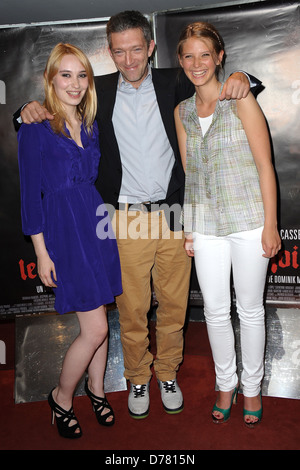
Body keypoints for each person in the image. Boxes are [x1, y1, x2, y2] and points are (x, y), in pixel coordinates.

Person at [14, 11, 257, 419]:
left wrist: (245, 77)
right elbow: (44, 119)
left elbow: (217, 78)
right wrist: (23, 110)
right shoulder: (95, 92)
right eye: (119, 51)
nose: (129, 60)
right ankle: (138, 376)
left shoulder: (174, 80)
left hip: (174, 212)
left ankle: (167, 373)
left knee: (175, 306)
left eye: (136, 50)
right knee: (131, 309)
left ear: (151, 48)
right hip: (121, 217)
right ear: (110, 53)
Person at [174, 22, 281, 427]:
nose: (197, 63)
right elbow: (191, 174)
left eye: (205, 54)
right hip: (204, 224)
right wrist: (188, 228)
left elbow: (265, 166)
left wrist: (271, 225)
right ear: (180, 61)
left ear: (219, 57)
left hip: (250, 220)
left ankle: (251, 389)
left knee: (250, 310)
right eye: (189, 55)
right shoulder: (181, 111)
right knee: (216, 312)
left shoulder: (241, 99)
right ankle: (226, 384)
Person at [17, 43, 122, 438]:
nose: (75, 84)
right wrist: (42, 253)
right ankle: (61, 396)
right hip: (64, 231)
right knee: (93, 329)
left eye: (82, 75)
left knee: (103, 321)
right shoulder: (35, 129)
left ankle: (96, 391)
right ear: (50, 79)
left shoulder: (91, 124)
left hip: (95, 224)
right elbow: (30, 197)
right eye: (66, 74)